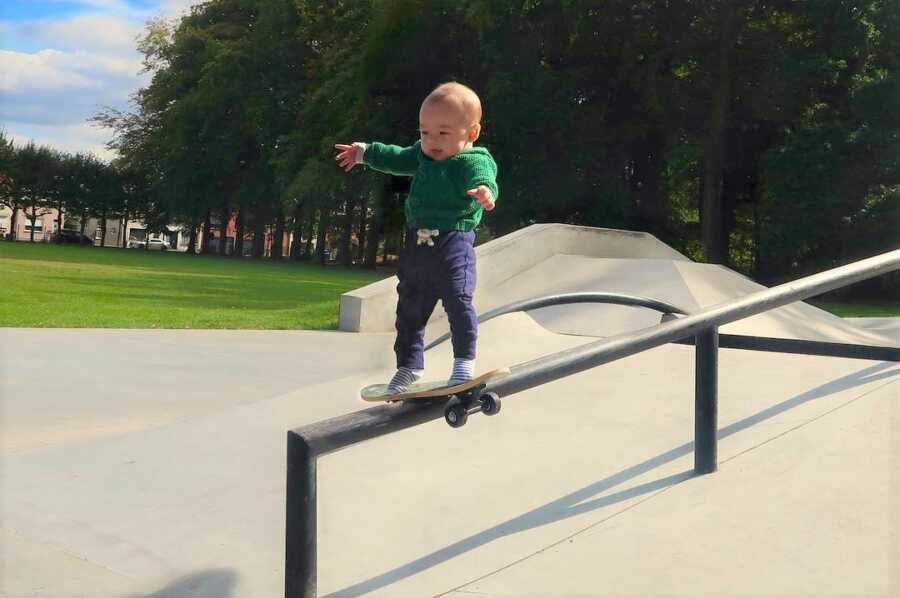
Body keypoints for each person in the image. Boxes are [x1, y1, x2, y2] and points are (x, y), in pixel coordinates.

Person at [335, 81, 499, 393]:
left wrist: (485, 192)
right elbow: (395, 158)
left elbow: (484, 177)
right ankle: (409, 367)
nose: (432, 141)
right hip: (417, 245)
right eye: (425, 132)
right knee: (409, 306)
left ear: (472, 133)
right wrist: (366, 153)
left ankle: (463, 365)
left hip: (454, 242)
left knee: (458, 299)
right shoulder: (423, 155)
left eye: (443, 133)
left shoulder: (472, 160)